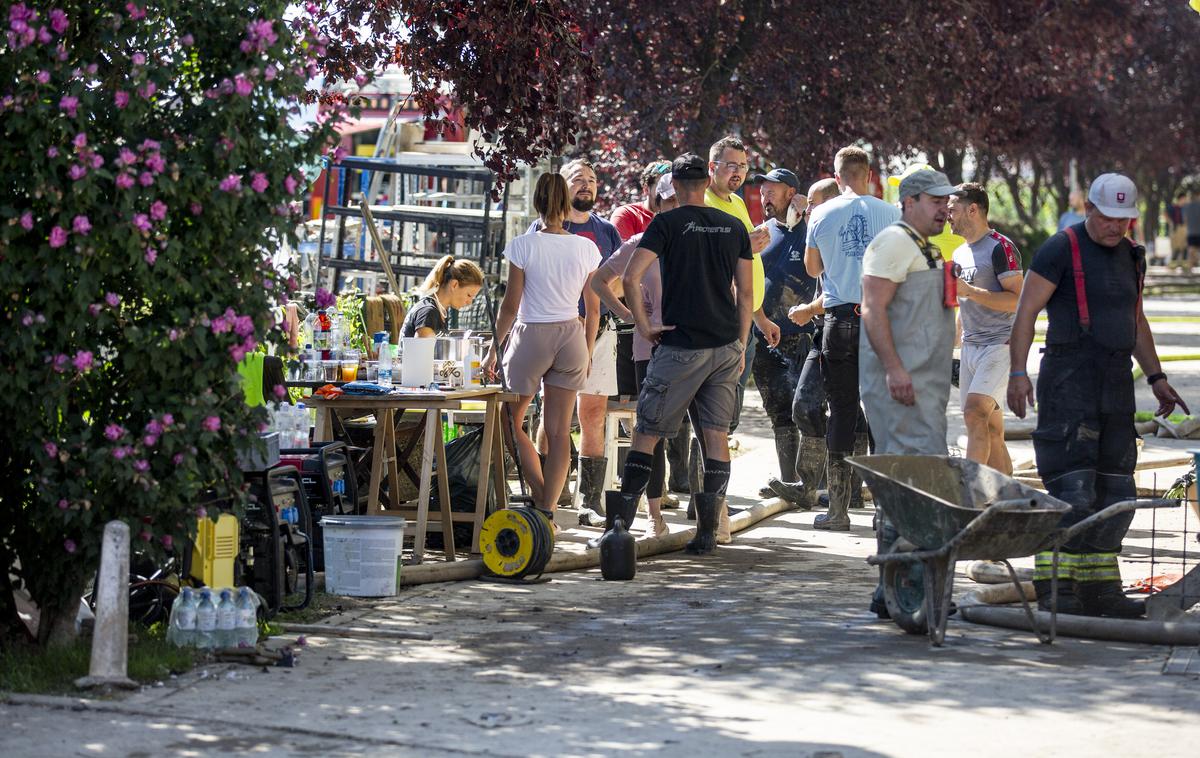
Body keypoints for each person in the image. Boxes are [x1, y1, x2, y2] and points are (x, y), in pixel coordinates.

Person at [1009, 173, 1188, 617]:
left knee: (1115, 491)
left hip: (1114, 386)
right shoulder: (1059, 250)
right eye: (1109, 217)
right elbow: (1026, 312)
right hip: (1068, 384)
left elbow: (1137, 320)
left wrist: (1156, 377)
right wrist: (1017, 373)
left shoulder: (1132, 256)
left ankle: (1099, 589)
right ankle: (1056, 588)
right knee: (1073, 491)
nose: (1116, 227)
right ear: (1089, 208)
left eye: (1125, 220)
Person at [611, 153, 754, 554]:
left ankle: (620, 529)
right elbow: (745, 293)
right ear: (707, 183)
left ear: (673, 185)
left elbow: (630, 276)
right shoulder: (733, 226)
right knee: (715, 436)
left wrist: (643, 325)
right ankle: (708, 532)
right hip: (725, 346)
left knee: (647, 432)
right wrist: (741, 342)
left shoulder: (666, 223)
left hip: (680, 346)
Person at [860, 168, 958, 617]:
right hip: (902, 389)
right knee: (911, 486)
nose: (945, 208)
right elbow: (871, 309)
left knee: (913, 483)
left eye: (946, 201)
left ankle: (893, 592)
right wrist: (895, 369)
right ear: (910, 201)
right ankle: (909, 591)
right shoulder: (894, 243)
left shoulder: (925, 246)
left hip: (923, 388)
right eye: (936, 201)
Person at [483, 173, 602, 525]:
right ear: (566, 205)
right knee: (559, 431)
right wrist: (589, 350)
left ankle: (538, 493)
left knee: (509, 421)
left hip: (531, 335)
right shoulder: (586, 248)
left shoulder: (523, 245)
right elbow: (592, 308)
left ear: (536, 203)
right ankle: (547, 510)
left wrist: (494, 349)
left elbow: (509, 305)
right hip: (572, 337)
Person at [804, 146, 900, 530]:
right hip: (881, 321)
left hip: (840, 319)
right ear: (869, 174)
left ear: (837, 175)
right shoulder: (892, 215)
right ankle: (885, 512)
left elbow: (813, 267)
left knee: (842, 410)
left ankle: (839, 511)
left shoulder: (822, 213)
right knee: (881, 412)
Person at [528, 159, 623, 523]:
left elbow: (619, 277)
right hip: (557, 330)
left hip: (600, 333)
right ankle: (550, 493)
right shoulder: (546, 228)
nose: (586, 185)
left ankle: (589, 501)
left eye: (592, 179)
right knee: (555, 415)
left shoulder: (607, 231)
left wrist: (595, 304)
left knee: (593, 413)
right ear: (561, 187)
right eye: (577, 179)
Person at [590, 172, 679, 537]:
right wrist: (629, 315)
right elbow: (598, 281)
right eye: (670, 200)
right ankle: (652, 515)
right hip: (651, 348)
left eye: (681, 199)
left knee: (699, 429)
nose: (676, 206)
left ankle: (712, 515)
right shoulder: (640, 243)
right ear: (657, 203)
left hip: (697, 347)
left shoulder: (701, 241)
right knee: (650, 431)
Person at [744, 168, 819, 502]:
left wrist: (810, 212)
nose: (764, 197)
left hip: (804, 336)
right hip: (765, 337)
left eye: (772, 191)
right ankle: (787, 482)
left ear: (792, 193)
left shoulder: (811, 229)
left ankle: (813, 481)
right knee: (778, 410)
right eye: (762, 192)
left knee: (808, 410)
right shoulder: (759, 234)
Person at [769, 177, 840, 507]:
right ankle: (809, 486)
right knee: (802, 408)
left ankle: (838, 491)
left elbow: (842, 286)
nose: (807, 209)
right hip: (817, 331)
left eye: (812, 203)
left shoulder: (835, 236)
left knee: (840, 412)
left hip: (837, 330)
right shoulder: (818, 232)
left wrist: (809, 309)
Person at [947, 183, 1023, 474]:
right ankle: (1008, 498)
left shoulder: (1000, 247)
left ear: (973, 209)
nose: (948, 216)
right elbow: (962, 303)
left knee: (974, 413)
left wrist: (969, 291)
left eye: (952, 210)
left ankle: (969, 494)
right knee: (991, 429)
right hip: (971, 347)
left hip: (1001, 345)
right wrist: (954, 339)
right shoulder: (958, 253)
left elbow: (1019, 300)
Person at [705, 136, 772, 443]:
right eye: (731, 165)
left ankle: (713, 482)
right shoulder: (704, 204)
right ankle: (704, 485)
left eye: (743, 166)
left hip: (747, 319)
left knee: (730, 413)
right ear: (712, 166)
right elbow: (710, 263)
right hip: (723, 323)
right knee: (716, 414)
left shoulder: (739, 202)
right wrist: (747, 243)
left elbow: (744, 270)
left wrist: (760, 317)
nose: (738, 173)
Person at [400, 255, 484, 338]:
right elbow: (421, 351)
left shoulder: (439, 310)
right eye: (469, 295)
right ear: (454, 285)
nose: (469, 302)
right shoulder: (429, 312)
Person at [610, 160, 670, 241]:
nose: (669, 192)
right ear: (646, 189)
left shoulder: (682, 216)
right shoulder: (626, 215)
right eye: (662, 185)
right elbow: (625, 252)